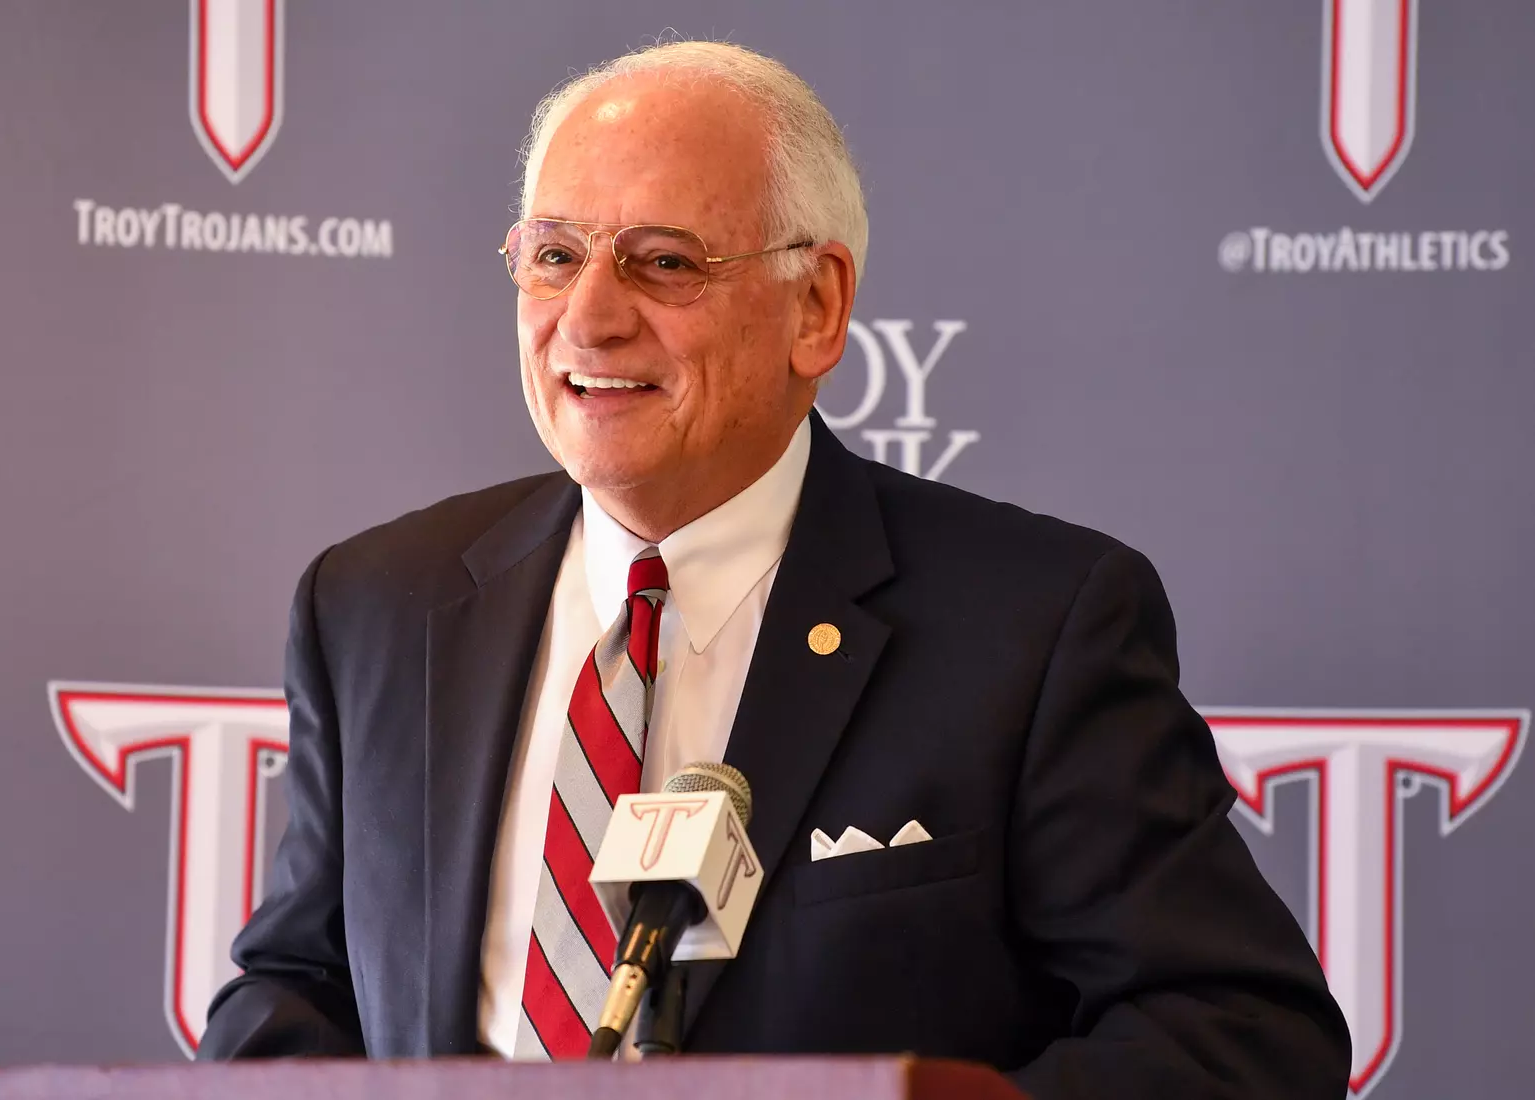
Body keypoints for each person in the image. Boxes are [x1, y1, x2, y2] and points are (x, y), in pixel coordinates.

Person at [197, 40, 1351, 1096]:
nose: (588, 319)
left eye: (663, 262)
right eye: (553, 256)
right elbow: (296, 987)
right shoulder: (379, 606)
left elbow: (1242, 1033)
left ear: (817, 306)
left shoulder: (1034, 627)